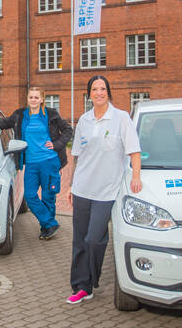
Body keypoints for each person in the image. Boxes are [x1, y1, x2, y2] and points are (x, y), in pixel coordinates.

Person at [64, 76, 142, 304]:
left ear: (108, 92)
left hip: (106, 192)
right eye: (95, 89)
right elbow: (77, 156)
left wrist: (136, 177)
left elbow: (134, 151)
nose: (99, 93)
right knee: (79, 240)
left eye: (103, 89)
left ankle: (92, 277)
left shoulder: (121, 118)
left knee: (94, 239)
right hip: (82, 189)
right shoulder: (84, 121)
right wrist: (70, 184)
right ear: (89, 94)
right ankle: (81, 286)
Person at [0, 87, 73, 240]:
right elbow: (7, 122)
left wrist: (57, 144)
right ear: (28, 99)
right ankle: (50, 222)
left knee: (48, 196)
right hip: (31, 163)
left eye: (36, 97)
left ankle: (46, 228)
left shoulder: (51, 114)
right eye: (31, 97)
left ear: (41, 99)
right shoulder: (21, 115)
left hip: (49, 161)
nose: (33, 100)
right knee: (29, 195)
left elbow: (67, 130)